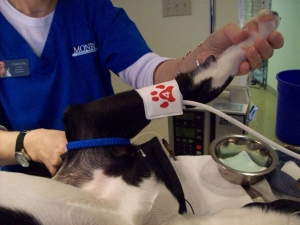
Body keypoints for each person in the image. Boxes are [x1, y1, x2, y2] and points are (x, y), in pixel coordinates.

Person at [0, 0, 284, 176]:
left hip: (102, 169)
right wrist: (29, 144)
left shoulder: (92, 9)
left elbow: (151, 73)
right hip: (23, 182)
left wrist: (203, 62)